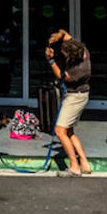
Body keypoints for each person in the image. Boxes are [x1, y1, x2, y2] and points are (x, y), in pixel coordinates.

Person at [45, 29, 93, 176]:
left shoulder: (78, 70)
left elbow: (61, 76)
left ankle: (74, 166)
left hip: (75, 97)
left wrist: (51, 60)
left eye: (65, 54)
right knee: (69, 131)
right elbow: (64, 33)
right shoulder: (82, 50)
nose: (63, 55)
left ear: (72, 56)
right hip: (80, 95)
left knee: (60, 131)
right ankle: (84, 163)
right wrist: (58, 36)